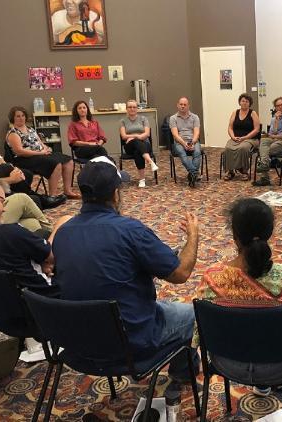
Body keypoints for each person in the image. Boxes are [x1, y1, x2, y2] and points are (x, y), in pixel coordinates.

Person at [52, 156, 200, 403]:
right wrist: (193, 236)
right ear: (116, 194)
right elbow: (181, 274)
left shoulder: (63, 232)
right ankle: (183, 374)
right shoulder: (130, 230)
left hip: (78, 341)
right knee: (193, 314)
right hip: (130, 344)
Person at [195, 198, 282, 396]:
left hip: (228, 365)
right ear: (269, 233)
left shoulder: (211, 277)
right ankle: (266, 383)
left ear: (235, 236)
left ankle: (261, 383)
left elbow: (199, 333)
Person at [0, 111, 64, 210]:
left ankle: (33, 199)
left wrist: (8, 166)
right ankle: (41, 200)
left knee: (26, 173)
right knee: (11, 169)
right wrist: (3, 167)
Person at [6, 106, 79, 199]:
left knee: (68, 161)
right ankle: (52, 195)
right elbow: (20, 151)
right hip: (25, 159)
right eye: (18, 116)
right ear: (13, 118)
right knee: (56, 164)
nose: (21, 118)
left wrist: (46, 148)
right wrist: (40, 153)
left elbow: (40, 143)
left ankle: (67, 191)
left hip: (40, 154)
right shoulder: (13, 133)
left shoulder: (31, 129)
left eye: (23, 115)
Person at [252, 96, 282, 187]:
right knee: (264, 141)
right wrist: (276, 120)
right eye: (278, 106)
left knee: (264, 151)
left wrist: (276, 136)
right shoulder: (274, 118)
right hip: (274, 141)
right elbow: (271, 133)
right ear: (275, 107)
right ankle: (265, 164)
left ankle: (264, 177)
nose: (280, 107)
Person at [120, 99, 159, 188]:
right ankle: (150, 161)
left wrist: (133, 137)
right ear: (126, 109)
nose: (132, 109)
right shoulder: (123, 121)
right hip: (129, 146)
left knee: (138, 151)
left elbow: (147, 134)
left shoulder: (143, 119)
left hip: (145, 144)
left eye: (134, 107)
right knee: (136, 143)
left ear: (137, 108)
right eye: (130, 107)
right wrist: (137, 136)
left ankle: (142, 180)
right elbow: (123, 136)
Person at [223, 93, 261, 181]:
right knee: (228, 148)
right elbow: (230, 127)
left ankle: (244, 171)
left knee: (243, 148)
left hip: (250, 139)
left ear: (249, 103)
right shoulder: (235, 112)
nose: (244, 103)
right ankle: (230, 171)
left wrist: (245, 137)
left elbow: (257, 129)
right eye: (243, 101)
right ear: (239, 102)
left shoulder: (253, 113)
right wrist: (232, 137)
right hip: (236, 138)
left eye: (247, 101)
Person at [169, 97, 202, 186]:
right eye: (181, 104)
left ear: (188, 106)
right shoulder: (173, 118)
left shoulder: (195, 117)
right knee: (182, 154)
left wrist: (192, 142)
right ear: (177, 105)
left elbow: (196, 132)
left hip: (193, 140)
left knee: (197, 152)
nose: (183, 106)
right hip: (179, 142)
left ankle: (192, 175)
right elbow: (175, 135)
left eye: (185, 105)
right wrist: (184, 144)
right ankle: (194, 173)